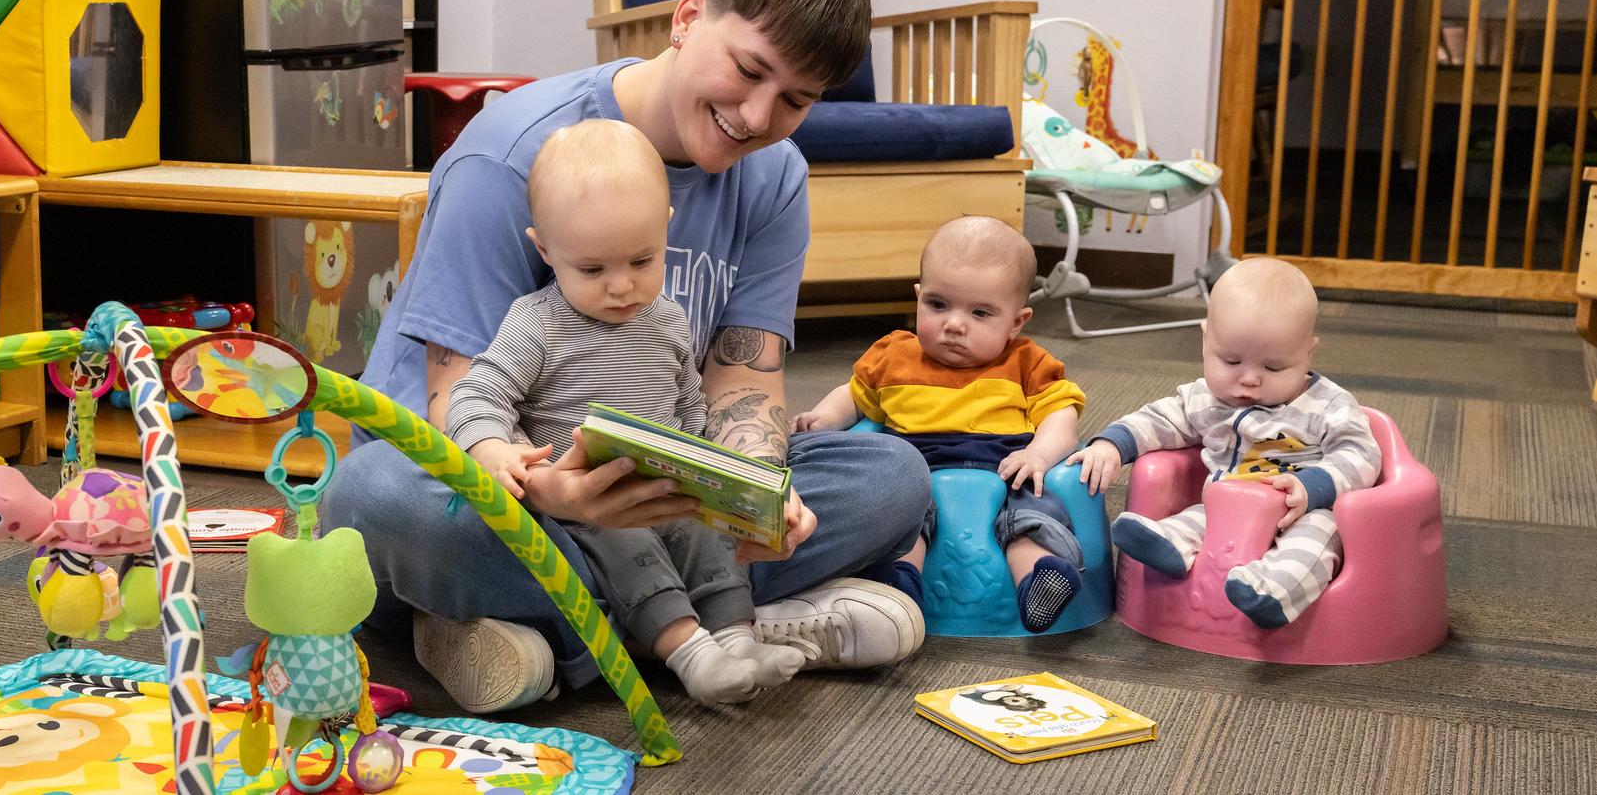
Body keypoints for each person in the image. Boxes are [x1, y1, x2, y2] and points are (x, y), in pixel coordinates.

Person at [319, 0, 932, 714]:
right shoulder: (508, 154)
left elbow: (743, 379)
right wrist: (553, 495)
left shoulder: (774, 176)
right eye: (748, 70)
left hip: (662, 496)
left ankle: (536, 640)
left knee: (892, 476)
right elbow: (453, 401)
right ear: (686, 19)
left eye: (795, 100)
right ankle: (714, 633)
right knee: (373, 501)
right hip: (486, 488)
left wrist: (756, 492)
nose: (755, 117)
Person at [446, 119, 806, 705]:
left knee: (712, 535)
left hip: (668, 489)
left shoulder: (667, 321)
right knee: (623, 543)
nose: (621, 286)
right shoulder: (536, 322)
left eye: (642, 261)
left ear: (666, 230)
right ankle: (690, 655)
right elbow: (476, 394)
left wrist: (728, 484)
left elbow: (693, 410)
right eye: (592, 270)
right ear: (545, 249)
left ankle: (738, 642)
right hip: (584, 505)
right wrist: (491, 449)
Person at [793, 216, 1089, 632]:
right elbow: (855, 398)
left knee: (1032, 512)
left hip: (1004, 466)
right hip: (915, 466)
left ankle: (1040, 577)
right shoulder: (893, 355)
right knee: (901, 515)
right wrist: (822, 418)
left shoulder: (1027, 363)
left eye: (980, 312)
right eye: (937, 304)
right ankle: (897, 588)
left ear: (1016, 321)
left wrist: (1038, 455)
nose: (953, 324)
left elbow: (1062, 415)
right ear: (917, 296)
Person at [1067, 257, 1381, 628]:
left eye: (1273, 368)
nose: (1249, 379)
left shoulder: (1327, 405)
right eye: (1231, 361)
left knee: (1316, 542)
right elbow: (1159, 419)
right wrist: (1113, 444)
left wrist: (1314, 487)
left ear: (1308, 354)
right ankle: (1167, 545)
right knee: (1197, 519)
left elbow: (1362, 453)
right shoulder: (1207, 398)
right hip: (1225, 508)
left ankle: (1272, 593)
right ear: (1205, 341)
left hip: (1300, 514)